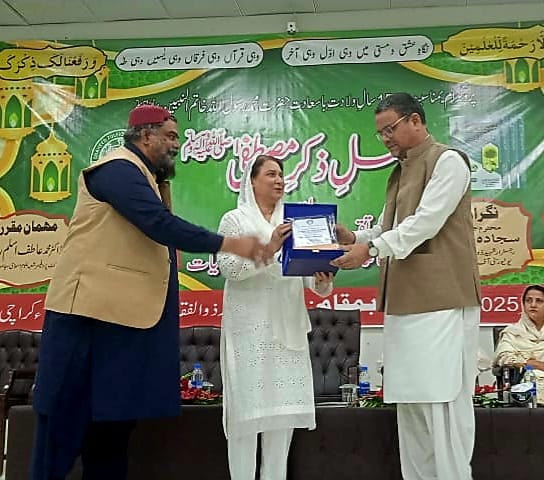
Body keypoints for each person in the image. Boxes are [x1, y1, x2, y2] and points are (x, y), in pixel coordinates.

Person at [31, 104, 265, 480]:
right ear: (145, 135)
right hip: (87, 321)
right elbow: (158, 224)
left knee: (112, 430)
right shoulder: (116, 170)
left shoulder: (148, 178)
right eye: (170, 136)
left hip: (121, 325)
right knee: (62, 428)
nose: (177, 144)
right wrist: (230, 244)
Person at [332, 93, 481, 480]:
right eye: (380, 133)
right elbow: (389, 227)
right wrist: (355, 238)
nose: (385, 138)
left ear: (416, 120)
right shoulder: (401, 170)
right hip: (404, 304)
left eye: (390, 129)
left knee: (441, 403)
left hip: (442, 301)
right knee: (411, 405)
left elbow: (424, 224)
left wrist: (370, 249)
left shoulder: (448, 161)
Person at [217, 154, 333, 480]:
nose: (279, 180)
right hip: (249, 332)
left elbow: (311, 281)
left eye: (281, 174)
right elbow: (229, 269)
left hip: (287, 332)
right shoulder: (235, 221)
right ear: (251, 181)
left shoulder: (296, 222)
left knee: (281, 422)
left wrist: (321, 279)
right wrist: (268, 249)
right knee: (245, 420)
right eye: (270, 174)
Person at [495, 284, 544, 371]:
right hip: (525, 376)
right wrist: (534, 365)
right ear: (523, 304)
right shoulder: (512, 333)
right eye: (528, 300)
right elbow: (504, 358)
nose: (533, 305)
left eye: (539, 301)